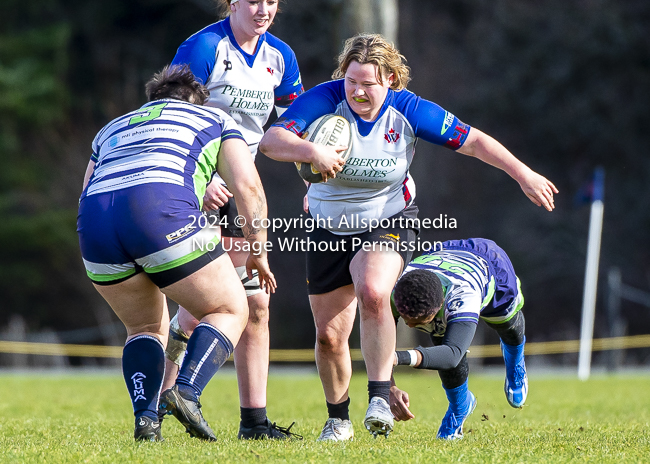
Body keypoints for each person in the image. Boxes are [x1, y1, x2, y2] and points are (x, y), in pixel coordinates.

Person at [259, 33, 556, 441]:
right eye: (352, 81)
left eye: (369, 83)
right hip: (328, 226)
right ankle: (338, 419)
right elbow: (272, 141)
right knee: (329, 337)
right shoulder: (326, 100)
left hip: (389, 218)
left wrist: (524, 173)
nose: (359, 91)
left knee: (375, 290)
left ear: (392, 80)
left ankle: (379, 396)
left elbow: (474, 142)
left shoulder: (410, 110)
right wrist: (312, 153)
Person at [77, 64, 276, 442]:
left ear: (152, 101)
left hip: (96, 226)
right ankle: (186, 392)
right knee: (230, 308)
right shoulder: (213, 117)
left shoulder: (113, 127)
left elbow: (87, 189)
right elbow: (249, 187)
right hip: (159, 212)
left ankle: (146, 422)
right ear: (197, 101)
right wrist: (257, 250)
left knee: (144, 328)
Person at [162, 0, 304, 440]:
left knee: (256, 303)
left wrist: (314, 178)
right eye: (254, 0)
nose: (264, 9)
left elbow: (294, 125)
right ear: (234, 2)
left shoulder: (280, 56)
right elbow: (169, 115)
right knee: (202, 306)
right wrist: (200, 183)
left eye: (272, 2)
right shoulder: (204, 47)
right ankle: (157, 406)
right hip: (201, 182)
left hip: (245, 186)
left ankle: (254, 423)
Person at [390, 238, 527, 440]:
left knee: (505, 322)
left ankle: (515, 360)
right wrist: (389, 385)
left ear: (442, 304)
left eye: (419, 320)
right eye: (405, 318)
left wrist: (398, 357)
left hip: (489, 264)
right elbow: (377, 343)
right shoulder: (394, 292)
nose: (409, 325)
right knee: (440, 333)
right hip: (440, 255)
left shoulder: (463, 296)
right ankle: (460, 407)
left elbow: (452, 354)